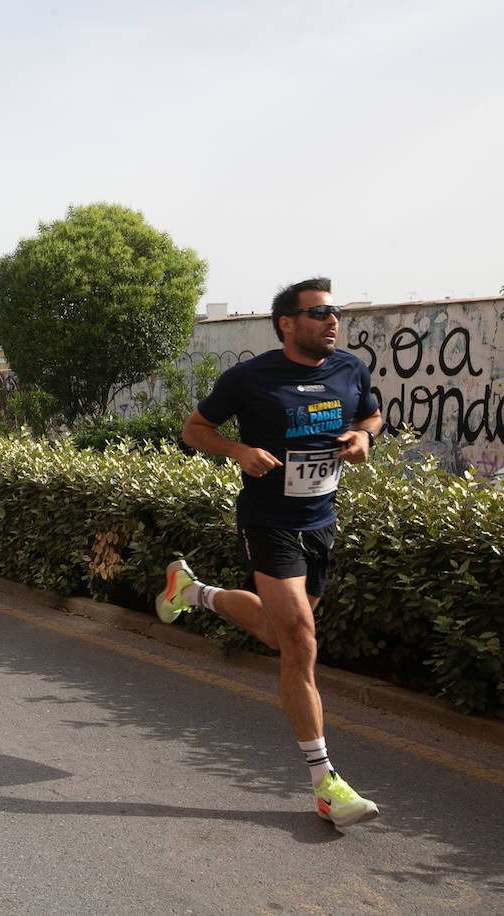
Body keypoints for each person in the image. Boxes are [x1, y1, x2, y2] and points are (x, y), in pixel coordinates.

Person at [156, 277, 383, 828]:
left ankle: (192, 591)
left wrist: (364, 437)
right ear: (288, 323)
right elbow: (194, 428)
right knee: (301, 641)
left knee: (280, 635)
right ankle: (326, 783)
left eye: (334, 313)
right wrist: (238, 449)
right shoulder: (250, 378)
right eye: (320, 313)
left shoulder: (350, 368)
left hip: (320, 524)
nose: (332, 321)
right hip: (269, 522)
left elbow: (371, 415)